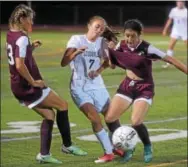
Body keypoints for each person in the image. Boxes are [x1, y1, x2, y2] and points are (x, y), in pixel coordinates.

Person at [91, 19, 187, 163]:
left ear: (140, 34)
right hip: (127, 86)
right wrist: (102, 63)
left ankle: (147, 146)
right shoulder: (120, 45)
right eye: (127, 35)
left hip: (144, 88)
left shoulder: (148, 48)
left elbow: (171, 60)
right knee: (110, 118)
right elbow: (111, 65)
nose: (129, 39)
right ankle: (128, 147)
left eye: (133, 36)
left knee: (136, 122)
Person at [6, 4, 87, 164]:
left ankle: (44, 154)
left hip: (17, 86)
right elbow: (19, 65)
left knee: (49, 115)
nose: (32, 23)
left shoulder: (12, 34)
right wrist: (34, 82)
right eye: (30, 20)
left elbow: (17, 56)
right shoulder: (22, 38)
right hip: (27, 87)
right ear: (21, 19)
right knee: (63, 105)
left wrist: (31, 48)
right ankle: (67, 145)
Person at [61, 16, 124, 163]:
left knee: (112, 118)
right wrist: (76, 52)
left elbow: (110, 64)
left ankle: (115, 146)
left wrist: (99, 70)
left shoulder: (102, 42)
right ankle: (108, 152)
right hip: (79, 87)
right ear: (89, 25)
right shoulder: (76, 40)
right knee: (95, 118)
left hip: (97, 85)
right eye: (97, 26)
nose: (99, 30)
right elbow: (64, 62)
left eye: (102, 28)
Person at [162, 0, 187, 68]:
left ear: (184, 3)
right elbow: (170, 20)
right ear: (177, 3)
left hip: (185, 32)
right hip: (175, 31)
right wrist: (165, 29)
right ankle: (168, 63)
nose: (180, 3)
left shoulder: (186, 11)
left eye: (181, 2)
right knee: (170, 47)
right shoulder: (173, 10)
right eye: (178, 2)